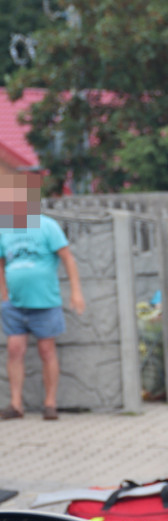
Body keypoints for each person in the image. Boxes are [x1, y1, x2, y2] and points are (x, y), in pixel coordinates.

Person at [0, 171, 85, 420]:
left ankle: (50, 403)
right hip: (15, 304)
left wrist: (76, 292)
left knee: (47, 350)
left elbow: (67, 258)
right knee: (15, 350)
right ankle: (16, 404)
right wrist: (3, 293)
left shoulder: (48, 226)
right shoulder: (5, 229)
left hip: (44, 302)